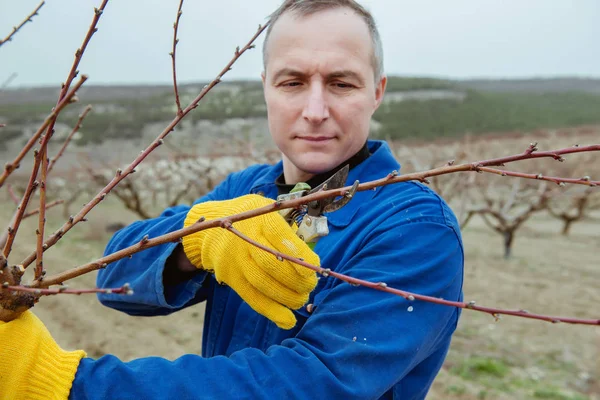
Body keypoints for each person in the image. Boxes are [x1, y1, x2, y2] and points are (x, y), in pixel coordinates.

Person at [0, 1, 464, 399]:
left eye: (342, 83)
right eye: (292, 82)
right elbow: (114, 279)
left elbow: (311, 384)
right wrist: (195, 243)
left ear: (377, 92)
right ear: (265, 87)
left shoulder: (415, 228)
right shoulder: (246, 191)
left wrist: (68, 385)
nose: (316, 110)